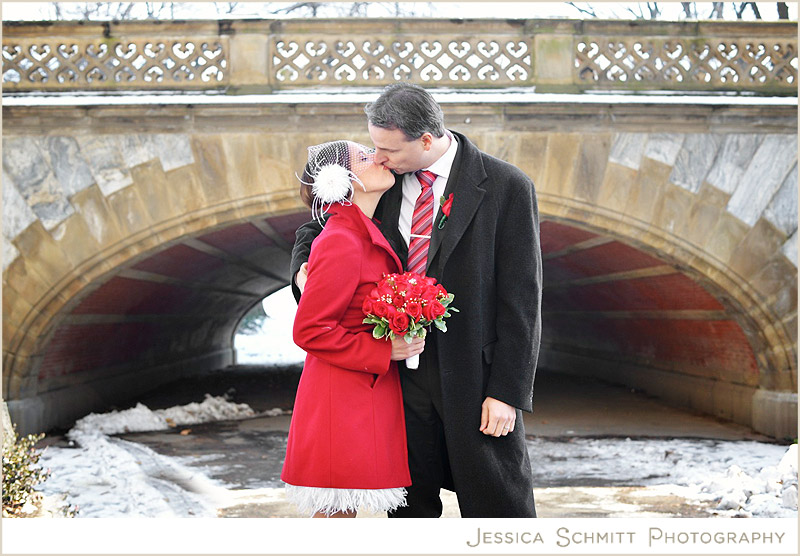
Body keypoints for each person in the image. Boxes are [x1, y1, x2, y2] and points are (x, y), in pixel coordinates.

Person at [291, 83, 542, 518]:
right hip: (397, 379)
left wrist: (508, 391)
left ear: (425, 140)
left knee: (500, 509)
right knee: (409, 514)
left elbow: (522, 297)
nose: (379, 157)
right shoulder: (383, 182)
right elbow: (319, 225)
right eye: (374, 146)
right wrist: (301, 270)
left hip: (475, 377)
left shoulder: (507, 185)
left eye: (388, 149)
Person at [281, 139, 425, 518]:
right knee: (335, 514)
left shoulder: (360, 233)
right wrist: (384, 350)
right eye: (364, 156)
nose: (377, 157)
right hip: (341, 395)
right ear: (342, 180)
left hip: (359, 389)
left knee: (343, 512)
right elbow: (309, 330)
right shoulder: (341, 241)